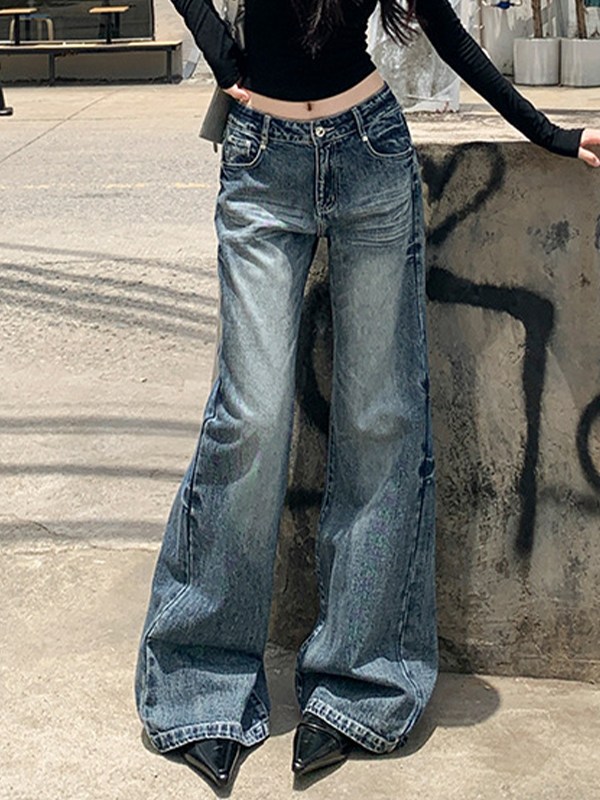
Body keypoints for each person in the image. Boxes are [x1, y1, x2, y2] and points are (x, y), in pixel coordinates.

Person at [135, 0, 600, 788]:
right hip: (261, 165)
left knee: (379, 420)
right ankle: (201, 679)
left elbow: (445, 29)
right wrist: (222, 57)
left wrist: (552, 133)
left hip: (370, 155)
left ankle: (361, 679)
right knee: (250, 416)